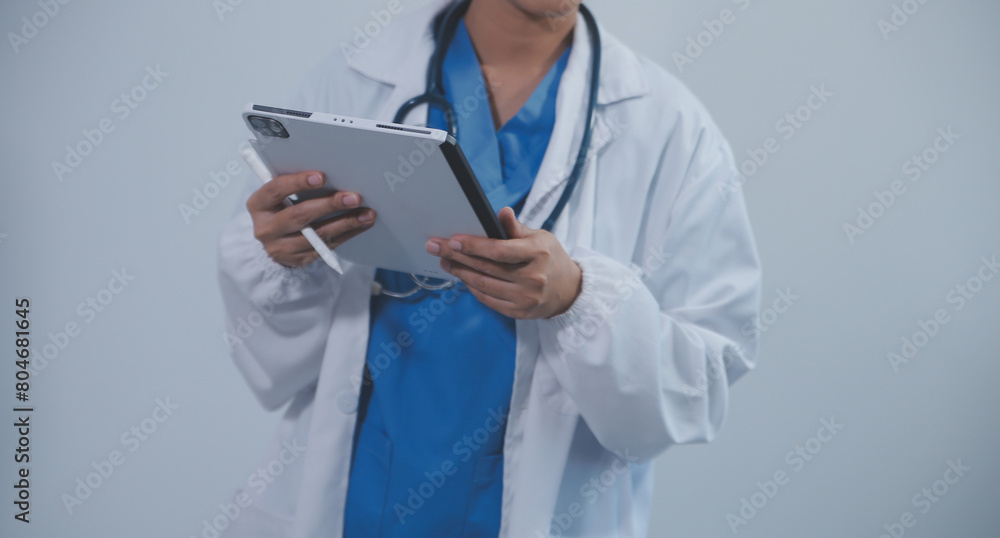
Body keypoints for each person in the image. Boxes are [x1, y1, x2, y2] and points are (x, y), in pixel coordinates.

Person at [217, 0, 761, 536]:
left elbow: (700, 385)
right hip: (355, 503)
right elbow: (268, 359)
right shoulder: (354, 80)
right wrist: (283, 257)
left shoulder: (671, 128)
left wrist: (580, 298)